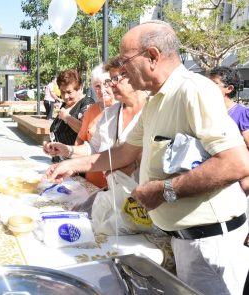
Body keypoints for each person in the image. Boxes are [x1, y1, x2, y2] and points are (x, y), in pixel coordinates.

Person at [45, 20, 249, 295]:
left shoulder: (194, 90)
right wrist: (72, 163)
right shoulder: (155, 101)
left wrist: (164, 190)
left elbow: (236, 162)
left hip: (210, 243)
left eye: (126, 61)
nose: (123, 69)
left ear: (152, 56)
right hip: (186, 241)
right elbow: (123, 152)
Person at [45, 57, 147, 188]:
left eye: (115, 79)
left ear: (133, 76)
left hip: (144, 196)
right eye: (109, 80)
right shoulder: (110, 113)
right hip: (112, 193)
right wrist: (67, 150)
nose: (110, 85)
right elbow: (93, 148)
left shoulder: (153, 108)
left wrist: (72, 165)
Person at [209, 66, 249, 195]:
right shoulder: (207, 112)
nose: (207, 87)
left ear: (229, 88)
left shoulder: (241, 114)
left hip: (235, 179)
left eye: (213, 83)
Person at [49, 69, 93, 162]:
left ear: (80, 88)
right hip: (59, 162)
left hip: (76, 166)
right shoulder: (65, 104)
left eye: (69, 92)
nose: (65, 96)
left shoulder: (87, 103)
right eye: (62, 92)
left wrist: (67, 117)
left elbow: (85, 131)